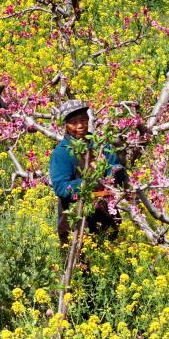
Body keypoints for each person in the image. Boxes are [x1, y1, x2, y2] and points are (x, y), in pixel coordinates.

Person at [49, 100, 126, 247]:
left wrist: (117, 173)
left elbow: (115, 170)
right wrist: (91, 184)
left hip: (106, 217)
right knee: (80, 258)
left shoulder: (100, 145)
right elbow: (61, 188)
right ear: (65, 125)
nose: (80, 126)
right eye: (74, 122)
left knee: (110, 255)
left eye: (84, 120)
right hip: (76, 220)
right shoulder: (62, 152)